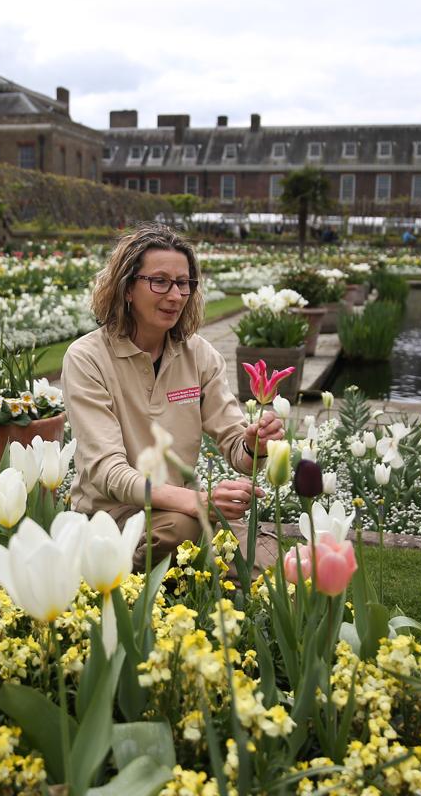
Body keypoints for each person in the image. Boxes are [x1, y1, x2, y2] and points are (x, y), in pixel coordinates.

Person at [62, 223, 285, 573]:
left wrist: (254, 444)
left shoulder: (199, 355)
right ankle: (140, 592)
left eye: (183, 283)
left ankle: (194, 585)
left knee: (289, 570)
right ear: (127, 288)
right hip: (113, 517)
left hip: (182, 510)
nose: (176, 295)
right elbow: (107, 472)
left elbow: (237, 448)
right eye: (160, 281)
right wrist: (196, 501)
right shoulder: (88, 358)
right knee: (185, 533)